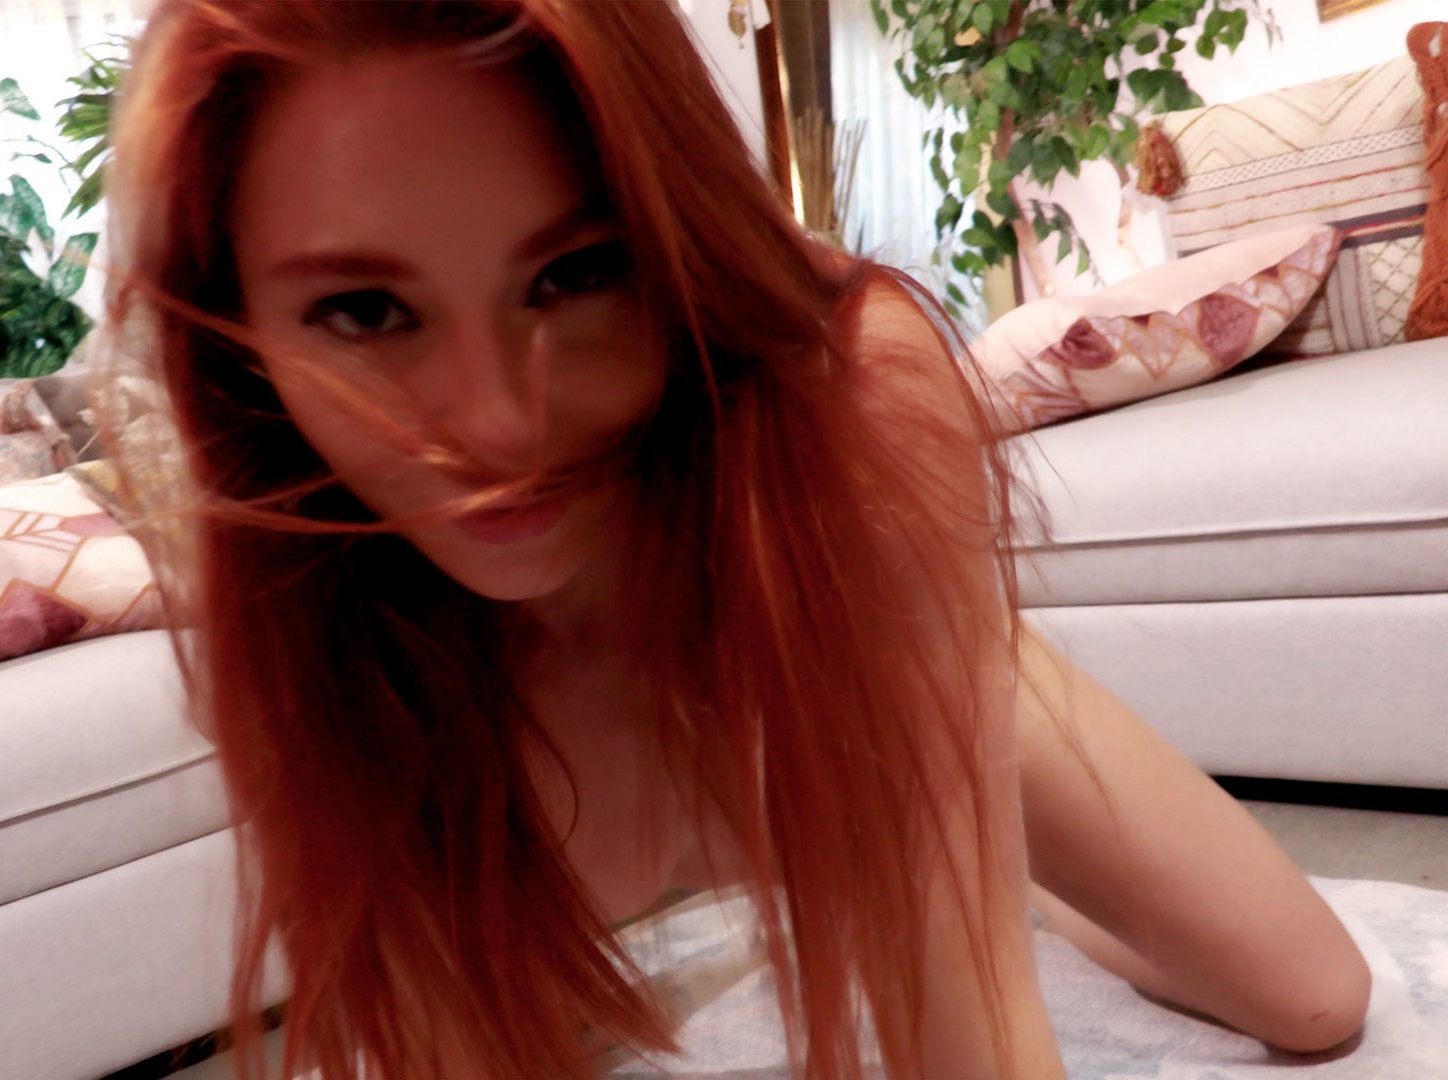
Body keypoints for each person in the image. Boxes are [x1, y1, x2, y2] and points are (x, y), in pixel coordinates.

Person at [96, 2, 1370, 1076]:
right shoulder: (281, 552)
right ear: (238, 330)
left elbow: (973, 1043)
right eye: (365, 312)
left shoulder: (856, 396)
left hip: (858, 643)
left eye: (575, 272)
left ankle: (975, 761)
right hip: (517, 700)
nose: (495, 425)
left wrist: (938, 760)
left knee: (1318, 1001)